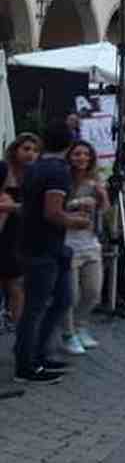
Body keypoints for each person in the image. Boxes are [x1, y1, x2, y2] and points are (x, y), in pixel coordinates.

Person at [14, 119, 93, 385]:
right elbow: (51, 213)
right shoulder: (58, 171)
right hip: (43, 247)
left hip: (42, 245)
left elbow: (39, 206)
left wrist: (67, 211)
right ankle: (26, 365)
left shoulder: (36, 168)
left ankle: (37, 354)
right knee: (36, 307)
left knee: (62, 300)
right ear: (70, 144)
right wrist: (76, 220)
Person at [61, 141, 109, 355]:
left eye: (86, 154)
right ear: (70, 157)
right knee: (70, 294)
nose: (82, 158)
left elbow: (106, 211)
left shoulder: (95, 180)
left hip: (90, 241)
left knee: (93, 292)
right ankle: (68, 333)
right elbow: (55, 209)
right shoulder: (62, 179)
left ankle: (80, 326)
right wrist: (76, 204)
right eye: (77, 154)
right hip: (67, 242)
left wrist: (102, 196)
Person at [0, 134, 41, 328]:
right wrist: (14, 208)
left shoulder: (35, 176)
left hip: (19, 235)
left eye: (34, 150)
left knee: (17, 284)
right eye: (26, 149)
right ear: (15, 150)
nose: (30, 154)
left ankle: (20, 333)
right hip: (3, 232)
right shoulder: (3, 170)